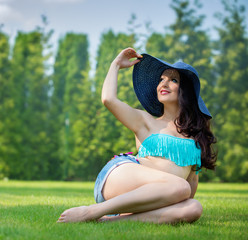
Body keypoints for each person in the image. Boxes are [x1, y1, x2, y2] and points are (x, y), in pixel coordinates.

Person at [57, 48, 217, 224]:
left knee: (193, 207)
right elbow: (108, 99)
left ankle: (109, 221)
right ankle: (92, 211)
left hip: (158, 195)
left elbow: (191, 183)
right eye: (161, 79)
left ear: (185, 91)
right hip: (122, 177)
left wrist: (180, 201)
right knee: (180, 187)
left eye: (173, 80)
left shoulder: (194, 139)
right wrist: (116, 65)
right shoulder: (145, 120)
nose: (163, 83)